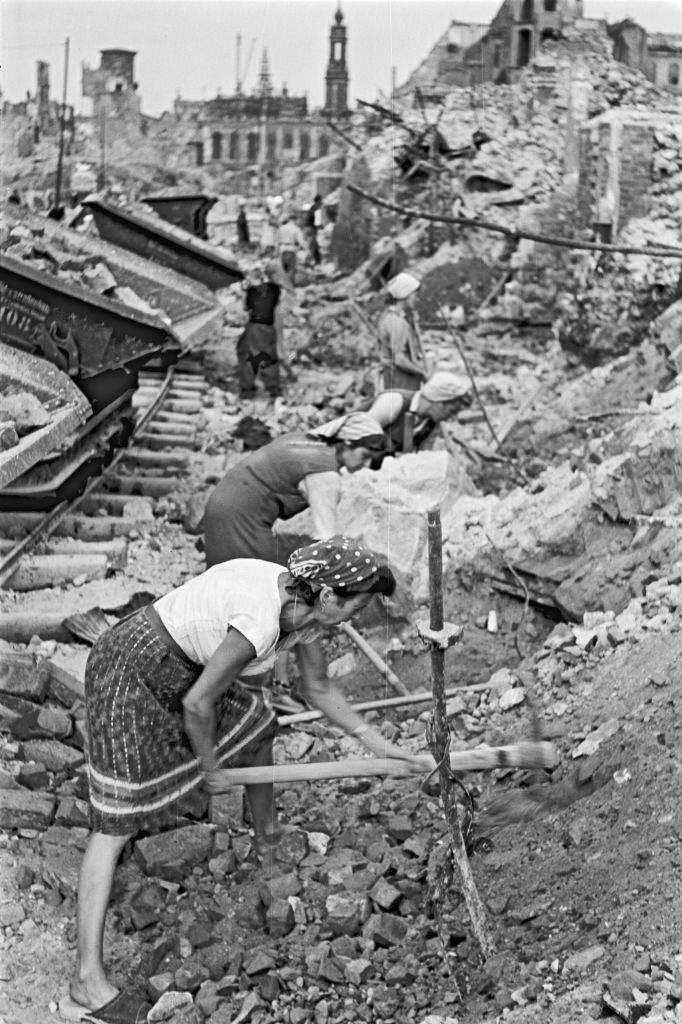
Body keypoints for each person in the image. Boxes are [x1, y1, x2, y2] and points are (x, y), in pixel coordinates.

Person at [61, 537, 418, 1024]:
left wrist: (378, 744)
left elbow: (316, 687)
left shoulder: (306, 608)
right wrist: (211, 770)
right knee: (116, 821)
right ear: (331, 597)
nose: (360, 614)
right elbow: (197, 705)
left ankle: (269, 839)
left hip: (181, 667)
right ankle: (87, 979)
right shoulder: (261, 617)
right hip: (129, 667)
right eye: (358, 604)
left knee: (256, 724)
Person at [203, 412, 386, 568]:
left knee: (227, 579)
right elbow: (325, 537)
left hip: (222, 503)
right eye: (365, 456)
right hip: (241, 517)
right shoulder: (324, 473)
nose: (367, 464)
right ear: (346, 443)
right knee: (267, 577)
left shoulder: (304, 441)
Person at [367, 370, 472, 464]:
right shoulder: (394, 402)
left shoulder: (432, 424)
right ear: (438, 401)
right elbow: (357, 435)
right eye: (451, 411)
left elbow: (423, 456)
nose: (451, 418)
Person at [236, 261, 288, 400]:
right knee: (269, 357)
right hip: (269, 328)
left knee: (248, 357)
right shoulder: (275, 290)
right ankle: (273, 389)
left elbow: (245, 308)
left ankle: (247, 390)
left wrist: (245, 290)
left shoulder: (251, 291)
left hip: (255, 327)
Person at [377, 272, 427, 391]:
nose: (416, 298)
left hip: (395, 379)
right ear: (406, 294)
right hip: (400, 381)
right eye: (414, 295)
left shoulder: (388, 317)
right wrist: (422, 372)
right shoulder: (397, 322)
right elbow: (398, 359)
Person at [278, 209, 307, 285]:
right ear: (295, 220)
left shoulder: (281, 228)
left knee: (284, 268)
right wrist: (306, 250)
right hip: (291, 249)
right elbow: (301, 242)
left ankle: (284, 284)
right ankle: (290, 285)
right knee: (291, 269)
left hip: (282, 249)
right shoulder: (296, 229)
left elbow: (277, 240)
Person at [306, 194, 324, 265]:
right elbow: (318, 223)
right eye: (321, 200)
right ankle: (308, 260)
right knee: (314, 246)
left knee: (313, 245)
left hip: (308, 228)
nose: (322, 202)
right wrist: (323, 229)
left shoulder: (312, 207)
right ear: (319, 200)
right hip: (312, 229)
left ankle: (316, 261)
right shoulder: (317, 208)